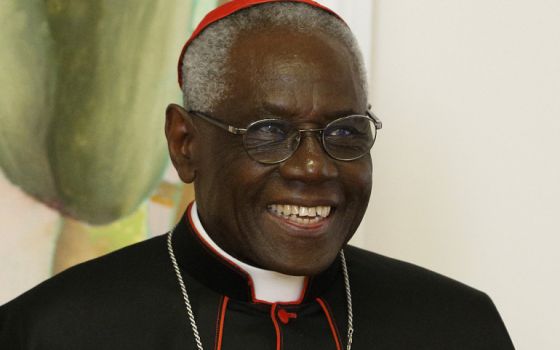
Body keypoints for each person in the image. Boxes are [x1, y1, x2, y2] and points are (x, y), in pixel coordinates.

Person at [0, 1, 515, 349]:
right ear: (185, 144)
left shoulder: (458, 326)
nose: (314, 167)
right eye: (269, 132)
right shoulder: (51, 332)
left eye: (344, 132)